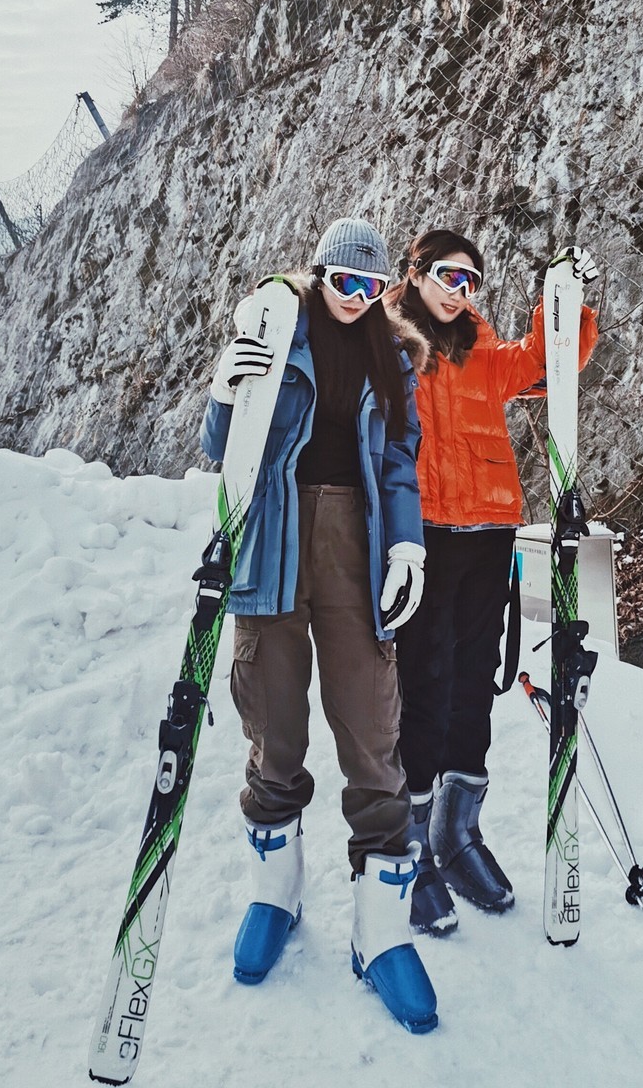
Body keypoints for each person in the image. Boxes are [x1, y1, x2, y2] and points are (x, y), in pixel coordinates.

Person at [200, 218, 438, 1034]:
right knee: (273, 715)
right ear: (318, 275)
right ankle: (277, 893)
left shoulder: (392, 356)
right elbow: (220, 452)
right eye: (344, 283)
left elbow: (400, 458)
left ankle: (383, 934)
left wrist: (406, 544)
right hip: (272, 534)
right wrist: (225, 392)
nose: (356, 300)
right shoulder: (275, 331)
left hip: (357, 539)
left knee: (372, 722)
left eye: (373, 288)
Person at [385, 231, 598, 935]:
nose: (459, 290)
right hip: (423, 539)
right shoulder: (385, 348)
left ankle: (456, 833)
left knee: (475, 681)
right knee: (422, 686)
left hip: (488, 538)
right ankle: (408, 846)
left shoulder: (485, 356)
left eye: (471, 281)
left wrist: (562, 299)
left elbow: (553, 362)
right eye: (448, 275)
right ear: (415, 275)